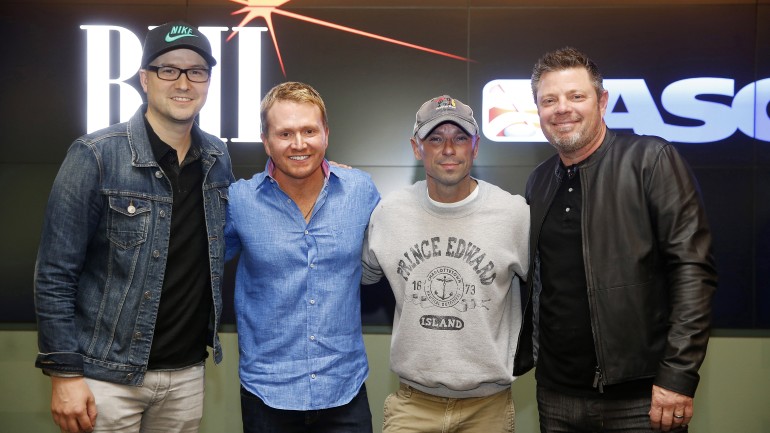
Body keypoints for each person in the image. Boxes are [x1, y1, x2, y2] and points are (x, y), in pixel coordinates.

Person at [34, 21, 233, 433]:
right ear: (144, 79)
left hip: (186, 375)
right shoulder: (95, 154)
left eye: (197, 71)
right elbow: (55, 274)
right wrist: (64, 374)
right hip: (105, 377)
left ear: (208, 81)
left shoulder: (216, 156)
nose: (184, 82)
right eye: (168, 69)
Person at [513, 47, 718, 433]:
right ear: (537, 110)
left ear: (602, 102)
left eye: (577, 96)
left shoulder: (651, 160)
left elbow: (693, 272)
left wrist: (678, 375)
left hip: (642, 399)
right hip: (556, 395)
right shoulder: (538, 180)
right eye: (549, 100)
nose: (562, 109)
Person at [361, 95, 530, 432]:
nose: (448, 149)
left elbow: (551, 292)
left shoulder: (514, 214)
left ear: (476, 146)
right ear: (416, 147)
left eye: (460, 138)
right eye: (435, 138)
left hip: (489, 408)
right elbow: (359, 276)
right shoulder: (389, 213)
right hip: (413, 405)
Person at [225, 81, 380, 433]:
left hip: (345, 390)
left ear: (326, 134)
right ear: (266, 140)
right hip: (267, 394)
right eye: (285, 133)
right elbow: (196, 264)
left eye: (309, 131)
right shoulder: (239, 201)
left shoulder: (360, 190)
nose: (299, 144)